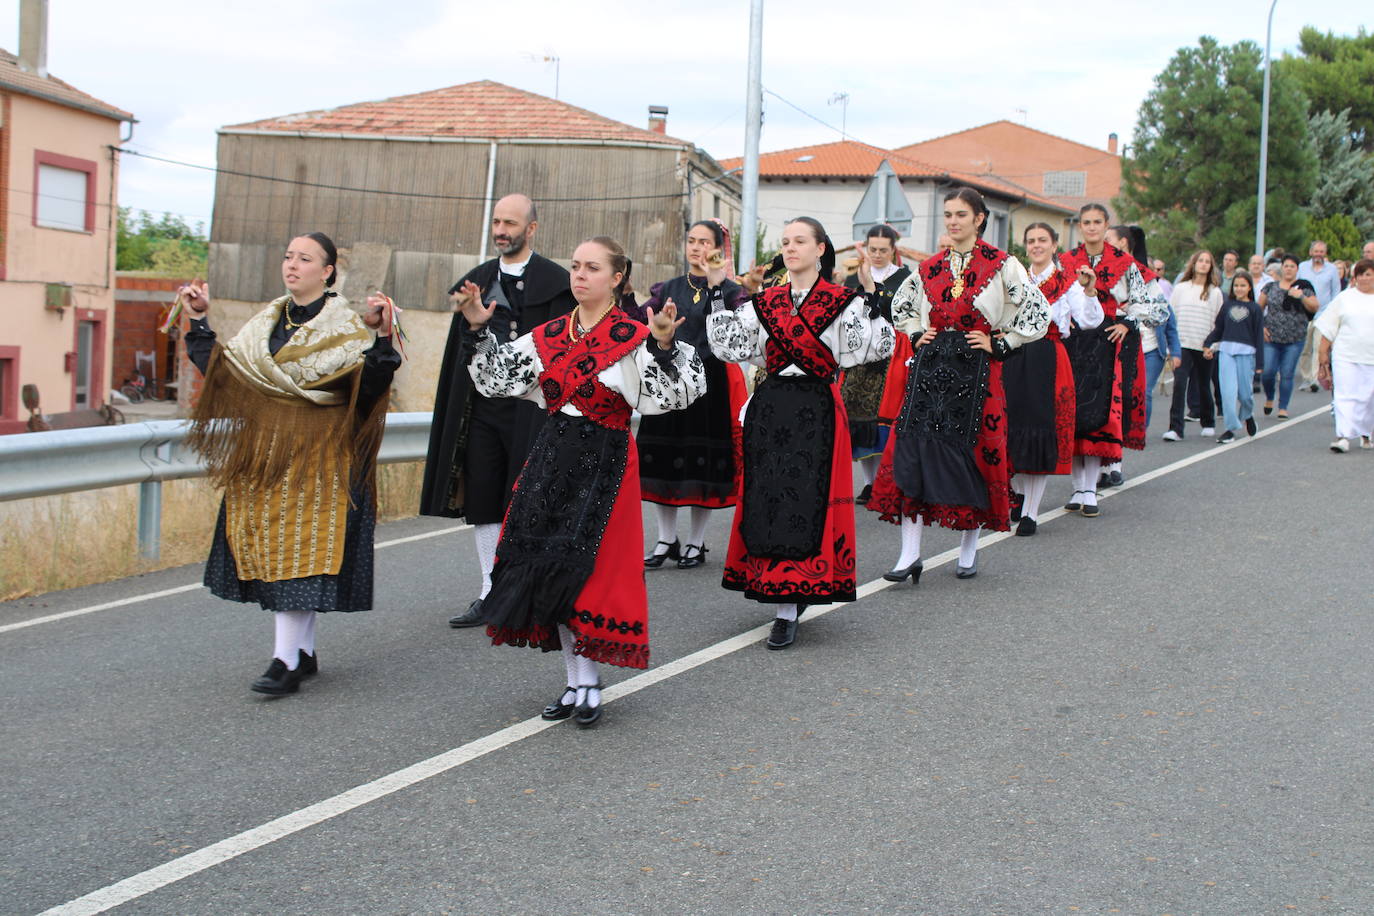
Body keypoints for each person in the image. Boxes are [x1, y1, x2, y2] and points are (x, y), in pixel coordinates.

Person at [459, 236, 706, 727]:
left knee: (588, 571)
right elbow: (497, 379)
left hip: (606, 458)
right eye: (575, 266)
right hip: (553, 455)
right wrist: (479, 330)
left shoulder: (633, 335)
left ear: (617, 278)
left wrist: (661, 344)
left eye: (592, 268)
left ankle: (588, 681)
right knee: (550, 566)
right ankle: (575, 680)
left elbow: (677, 394)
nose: (579, 275)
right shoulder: (548, 334)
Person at [180, 233, 400, 695]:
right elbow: (227, 375)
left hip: (320, 456)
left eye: (305, 258)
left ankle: (286, 660)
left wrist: (381, 336)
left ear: (327, 271)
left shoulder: (347, 327)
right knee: (276, 552)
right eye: (287, 256)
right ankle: (302, 651)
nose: (292, 265)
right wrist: (199, 321)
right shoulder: (264, 323)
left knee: (302, 553)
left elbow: (371, 385)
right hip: (265, 456)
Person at [707, 216, 894, 650]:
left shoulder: (843, 301)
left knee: (807, 498)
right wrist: (718, 288)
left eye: (800, 241)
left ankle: (788, 606)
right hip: (771, 407)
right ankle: (779, 594)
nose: (791, 248)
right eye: (786, 241)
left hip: (817, 408)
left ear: (820, 249)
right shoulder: (764, 301)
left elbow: (872, 349)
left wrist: (872, 297)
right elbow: (729, 347)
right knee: (770, 496)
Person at [867, 187, 1049, 574]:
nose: (952, 221)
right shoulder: (930, 266)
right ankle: (909, 554)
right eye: (948, 214)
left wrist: (1002, 342)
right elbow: (902, 306)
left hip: (979, 373)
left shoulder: (1003, 265)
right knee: (912, 454)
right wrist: (917, 333)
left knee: (978, 458)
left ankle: (968, 550)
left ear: (979, 219)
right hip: (930, 372)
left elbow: (1037, 312)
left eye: (961, 215)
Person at [420, 195, 578, 628]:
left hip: (534, 409)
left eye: (510, 222)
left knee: (529, 497)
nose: (501, 229)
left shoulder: (557, 283)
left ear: (531, 229)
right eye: (496, 221)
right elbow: (463, 352)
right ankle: (491, 593)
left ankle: (530, 590)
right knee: (484, 496)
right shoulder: (475, 281)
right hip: (484, 410)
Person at [629, 220, 747, 570]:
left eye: (704, 242)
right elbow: (641, 319)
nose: (696, 248)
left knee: (702, 463)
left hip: (709, 380)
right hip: (668, 377)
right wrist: (625, 296)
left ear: (718, 250)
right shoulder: (669, 287)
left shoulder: (731, 290)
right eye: (691, 241)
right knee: (663, 459)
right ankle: (667, 538)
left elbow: (738, 327)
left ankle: (696, 542)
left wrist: (716, 285)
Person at [1058, 206, 1168, 514]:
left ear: (1106, 226)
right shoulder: (1066, 261)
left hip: (1108, 345)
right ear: (1080, 226)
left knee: (1099, 415)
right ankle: (1077, 487)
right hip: (1073, 343)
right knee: (1074, 414)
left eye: (1097, 222)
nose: (1091, 227)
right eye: (1086, 222)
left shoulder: (1125, 263)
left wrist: (1128, 323)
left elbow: (1155, 305)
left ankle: (1090, 489)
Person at [1004, 222, 1099, 536]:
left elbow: (1088, 319)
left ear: (1054, 245)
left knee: (1039, 432)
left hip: (1047, 358)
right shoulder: (1015, 278)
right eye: (1031, 240)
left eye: (1042, 240)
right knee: (1011, 429)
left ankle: (1031, 511)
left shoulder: (1066, 283)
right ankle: (1018, 493)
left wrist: (1088, 290)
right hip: (1015, 356)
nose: (1036, 246)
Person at [843, 224, 911, 504]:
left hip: (893, 355)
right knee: (860, 420)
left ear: (893, 250)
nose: (878, 254)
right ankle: (870, 483)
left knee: (887, 418)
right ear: (866, 248)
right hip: (859, 355)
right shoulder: (853, 278)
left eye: (884, 250)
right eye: (873, 249)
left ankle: (889, 481)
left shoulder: (906, 278)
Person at [1096, 224, 1161, 487]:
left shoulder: (1142, 274)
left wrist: (1128, 318)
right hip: (1099, 339)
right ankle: (1098, 465)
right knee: (1100, 400)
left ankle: (1115, 464)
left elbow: (1157, 311)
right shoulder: (1096, 270)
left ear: (1122, 243)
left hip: (1128, 341)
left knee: (1120, 402)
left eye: (1108, 238)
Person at [1162, 250, 1224, 441]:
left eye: (1207, 261)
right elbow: (1170, 317)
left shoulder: (1215, 292)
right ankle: (1176, 428)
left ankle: (1208, 422)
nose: (1203, 264)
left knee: (1204, 384)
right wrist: (1170, 348)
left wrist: (1212, 346)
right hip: (1182, 344)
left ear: (1211, 266)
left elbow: (1218, 322)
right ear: (1194, 264)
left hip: (1204, 345)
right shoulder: (1180, 288)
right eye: (1200, 261)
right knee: (1180, 385)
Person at [1315, 259, 1374, 452]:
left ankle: (1366, 433)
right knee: (1345, 395)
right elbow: (1329, 326)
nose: (1366, 278)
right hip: (1345, 356)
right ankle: (1343, 436)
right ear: (1355, 277)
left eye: (1370, 274)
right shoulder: (1345, 298)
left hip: (1371, 358)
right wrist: (1323, 352)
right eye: (1362, 274)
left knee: (1368, 398)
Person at [1203, 272, 1264, 443]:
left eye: (1243, 285)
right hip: (1226, 352)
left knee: (1245, 394)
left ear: (1249, 287)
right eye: (1236, 285)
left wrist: (1260, 362)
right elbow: (1218, 329)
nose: (1239, 288)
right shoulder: (1227, 305)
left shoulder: (1255, 308)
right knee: (1228, 393)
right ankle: (1231, 429)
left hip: (1247, 353)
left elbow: (1259, 335)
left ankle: (1247, 414)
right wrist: (1208, 344)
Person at [1260, 254, 1319, 420]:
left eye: (1292, 266)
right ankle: (1270, 397)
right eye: (1286, 266)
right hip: (1271, 337)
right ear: (1282, 268)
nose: (1288, 269)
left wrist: (1300, 296)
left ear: (1297, 269)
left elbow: (1315, 307)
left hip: (1294, 338)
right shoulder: (1270, 287)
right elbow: (1258, 309)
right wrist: (1261, 327)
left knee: (1287, 373)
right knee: (1268, 372)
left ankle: (1283, 407)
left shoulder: (1304, 287)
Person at [1297, 240, 1342, 391]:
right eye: (1316, 251)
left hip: (1323, 313)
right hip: (1304, 313)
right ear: (1311, 252)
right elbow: (1297, 287)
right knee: (1305, 348)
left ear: (1325, 253)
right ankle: (1306, 377)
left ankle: (1314, 379)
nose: (1318, 255)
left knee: (1318, 346)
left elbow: (1335, 291)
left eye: (1321, 252)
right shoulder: (1302, 267)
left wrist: (1333, 312)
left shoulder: (1331, 270)